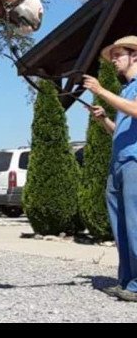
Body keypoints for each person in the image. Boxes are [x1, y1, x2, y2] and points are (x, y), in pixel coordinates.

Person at [83, 35, 137, 302]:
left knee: (135, 225)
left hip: (135, 164)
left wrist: (101, 91)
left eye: (118, 54)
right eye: (113, 55)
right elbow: (121, 132)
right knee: (121, 228)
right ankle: (126, 282)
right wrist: (104, 120)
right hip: (119, 164)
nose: (114, 60)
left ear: (135, 56)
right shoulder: (126, 90)